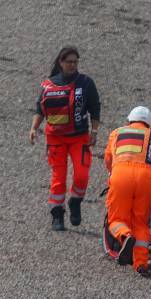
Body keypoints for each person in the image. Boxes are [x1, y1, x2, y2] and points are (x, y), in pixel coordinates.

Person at [29, 46, 100, 231]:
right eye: (69, 61)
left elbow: (95, 107)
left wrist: (94, 132)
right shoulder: (48, 84)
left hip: (80, 137)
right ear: (61, 62)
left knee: (82, 174)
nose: (73, 65)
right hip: (55, 138)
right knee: (58, 178)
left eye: (75, 62)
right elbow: (39, 109)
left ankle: (75, 201)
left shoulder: (86, 83)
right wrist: (34, 128)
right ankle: (57, 215)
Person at [104, 106, 151, 275]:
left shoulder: (117, 133)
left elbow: (108, 160)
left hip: (121, 174)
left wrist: (112, 173)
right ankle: (141, 264)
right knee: (141, 223)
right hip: (147, 177)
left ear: (130, 120)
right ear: (148, 124)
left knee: (116, 219)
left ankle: (124, 236)